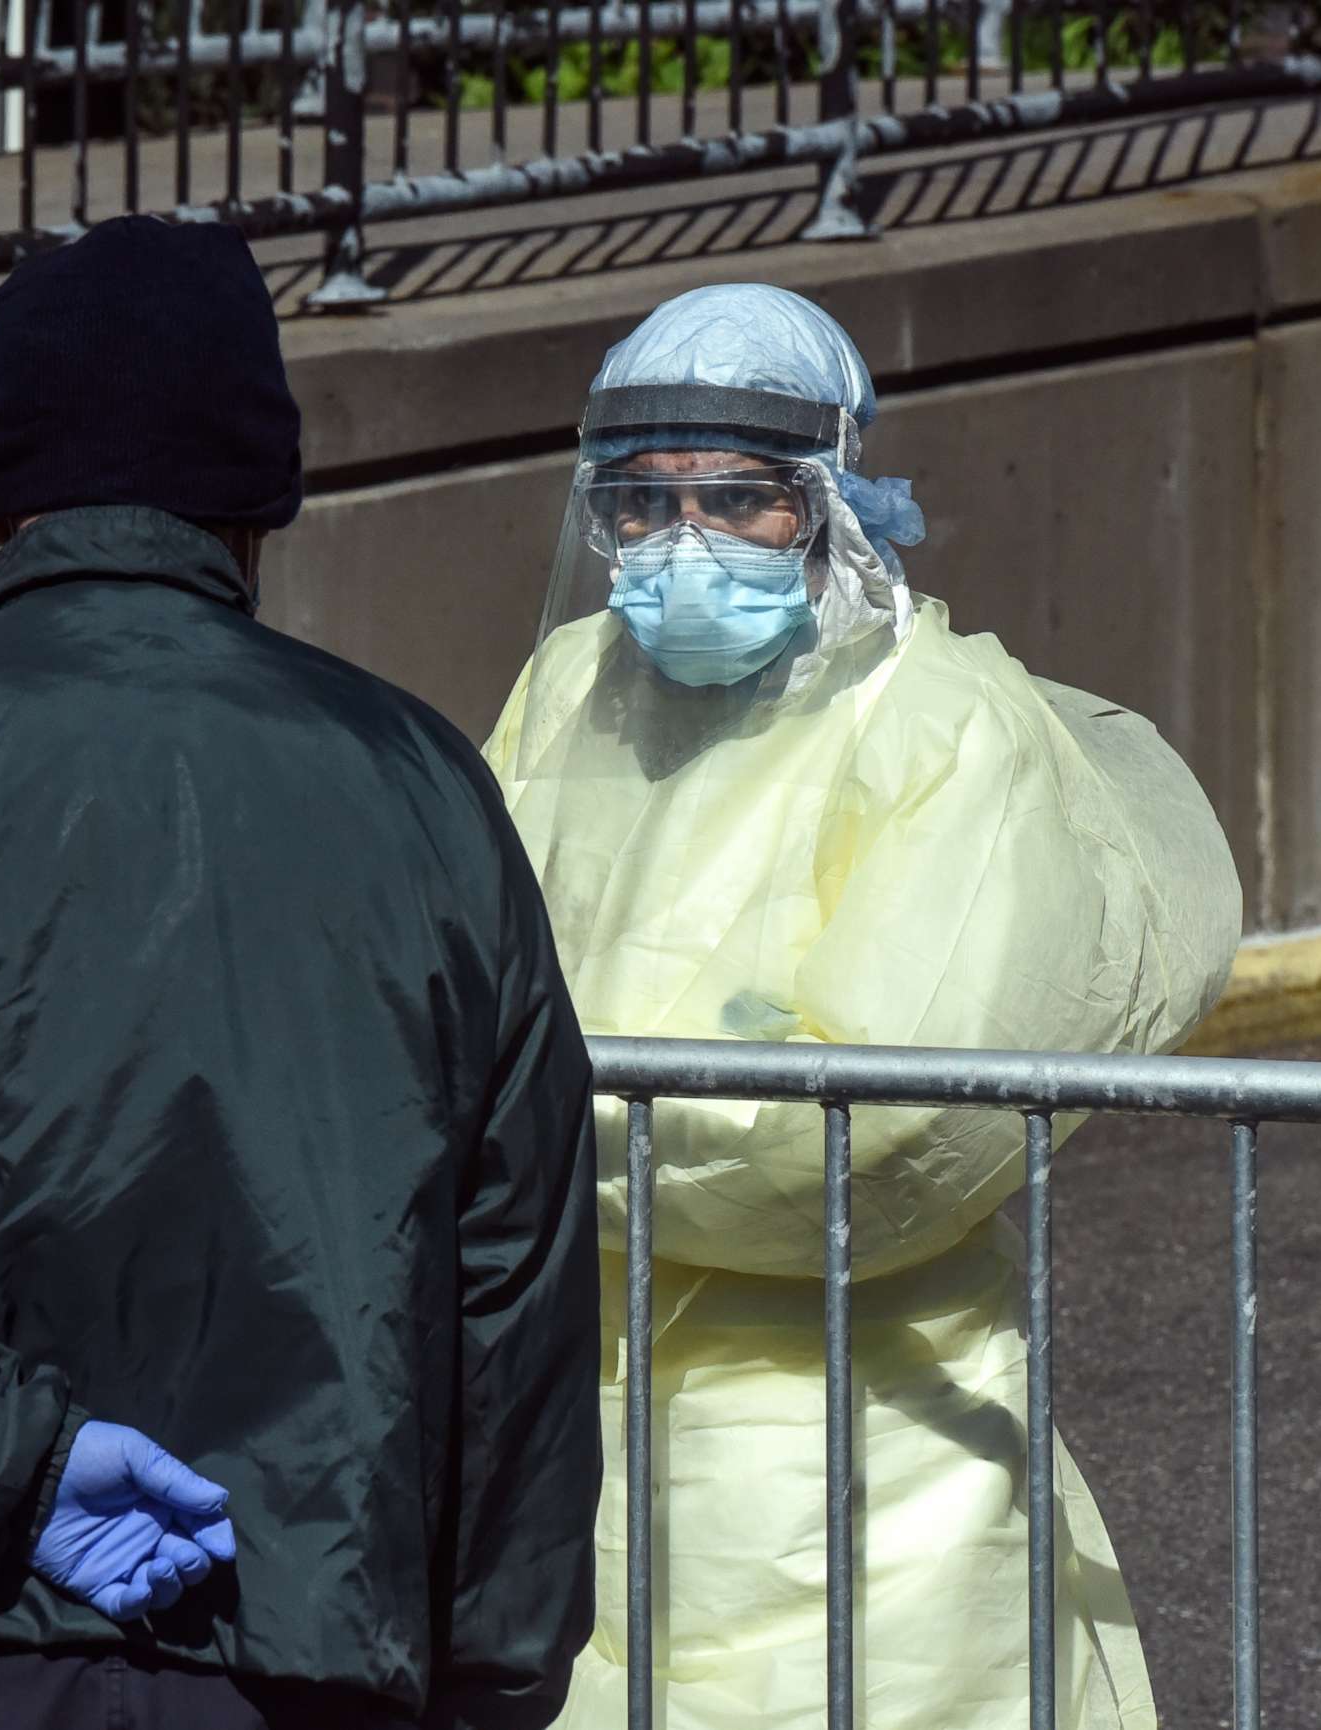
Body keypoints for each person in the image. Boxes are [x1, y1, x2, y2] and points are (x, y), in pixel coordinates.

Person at [0, 214, 602, 1730]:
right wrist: (491, 1676)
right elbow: (513, 1279)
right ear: (262, 490)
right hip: (296, 1648)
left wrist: (9, 1464)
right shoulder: (422, 791)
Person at [482, 283, 1243, 1730]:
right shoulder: (569, 687)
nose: (679, 544)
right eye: (640, 503)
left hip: (866, 1464)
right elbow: (462, 983)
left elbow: (882, 1146)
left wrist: (531, 1129)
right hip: (581, 1442)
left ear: (832, 503)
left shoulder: (940, 725)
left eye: (737, 499)